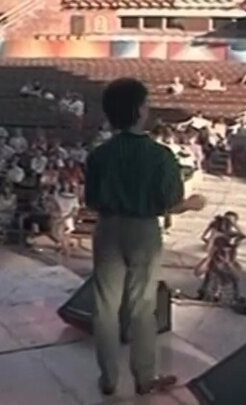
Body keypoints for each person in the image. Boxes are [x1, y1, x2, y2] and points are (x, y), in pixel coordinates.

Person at [85, 78, 207, 397]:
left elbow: (91, 200)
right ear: (140, 111)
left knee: (105, 307)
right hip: (143, 231)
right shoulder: (160, 155)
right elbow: (170, 203)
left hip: (107, 229)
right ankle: (144, 376)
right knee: (142, 305)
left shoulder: (99, 155)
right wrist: (193, 204)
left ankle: (108, 378)